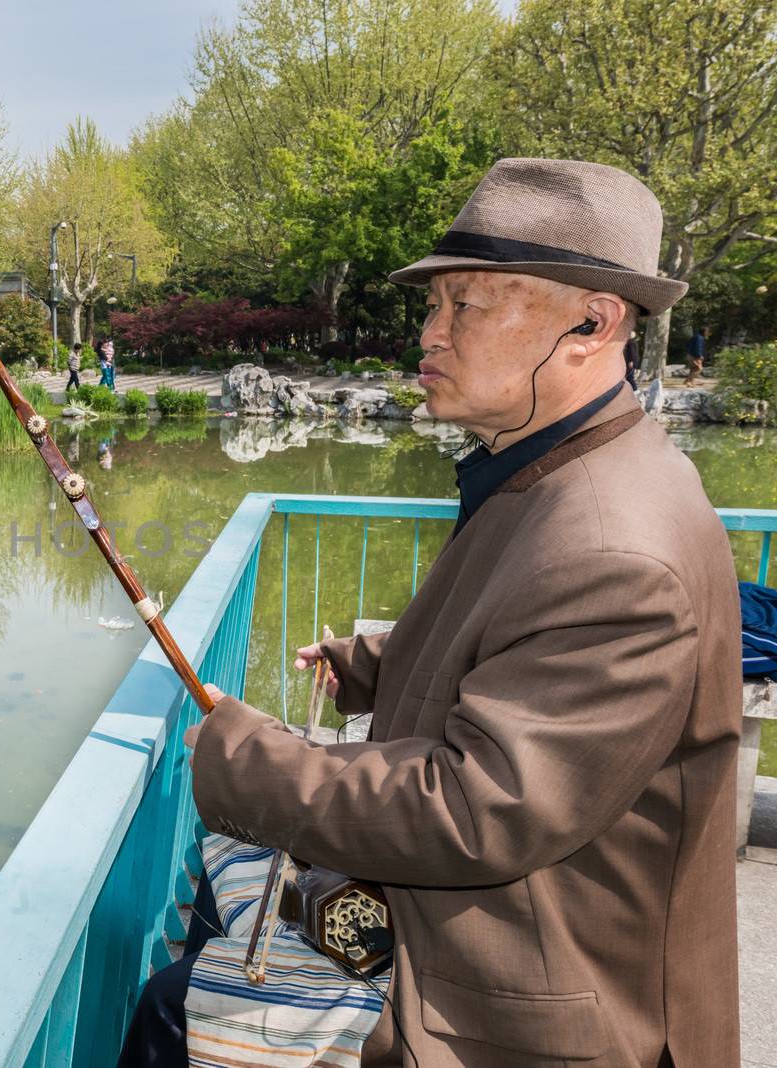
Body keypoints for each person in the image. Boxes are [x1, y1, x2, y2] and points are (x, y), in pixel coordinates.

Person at [122, 158, 741, 1067]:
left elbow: (476, 807)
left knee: (174, 1010)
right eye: (434, 305)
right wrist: (379, 661)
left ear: (593, 321)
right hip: (488, 936)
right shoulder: (551, 469)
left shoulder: (611, 544)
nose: (432, 333)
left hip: (524, 1002)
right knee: (221, 906)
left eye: (469, 305)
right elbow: (526, 647)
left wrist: (247, 761)